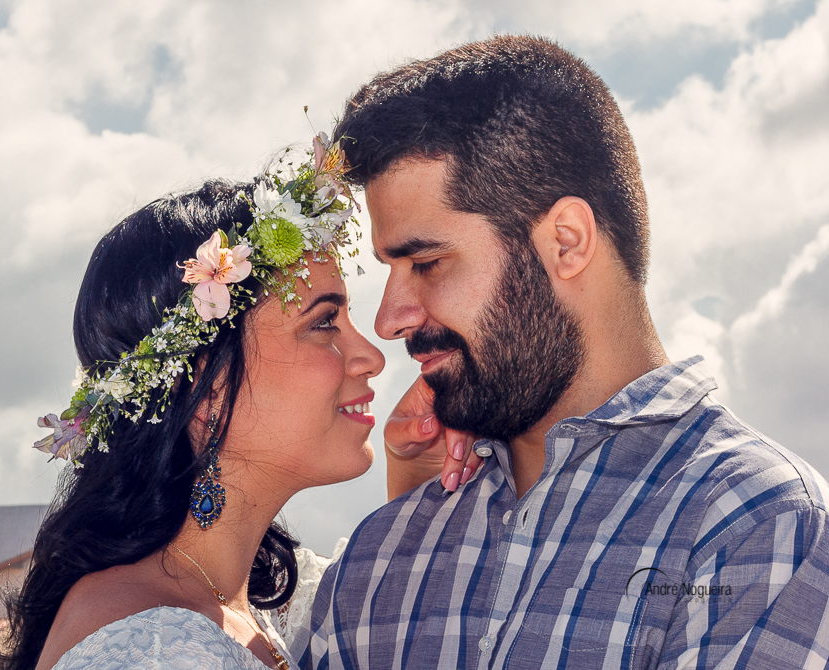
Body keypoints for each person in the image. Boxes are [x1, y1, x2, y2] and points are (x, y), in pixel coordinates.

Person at [302, 36, 829, 669]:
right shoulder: (377, 561)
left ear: (567, 241)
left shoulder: (759, 527)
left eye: (426, 263)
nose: (389, 320)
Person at [0, 138, 479, 670]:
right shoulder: (150, 653)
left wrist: (417, 478)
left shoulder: (272, 606)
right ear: (207, 385)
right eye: (323, 323)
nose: (372, 356)